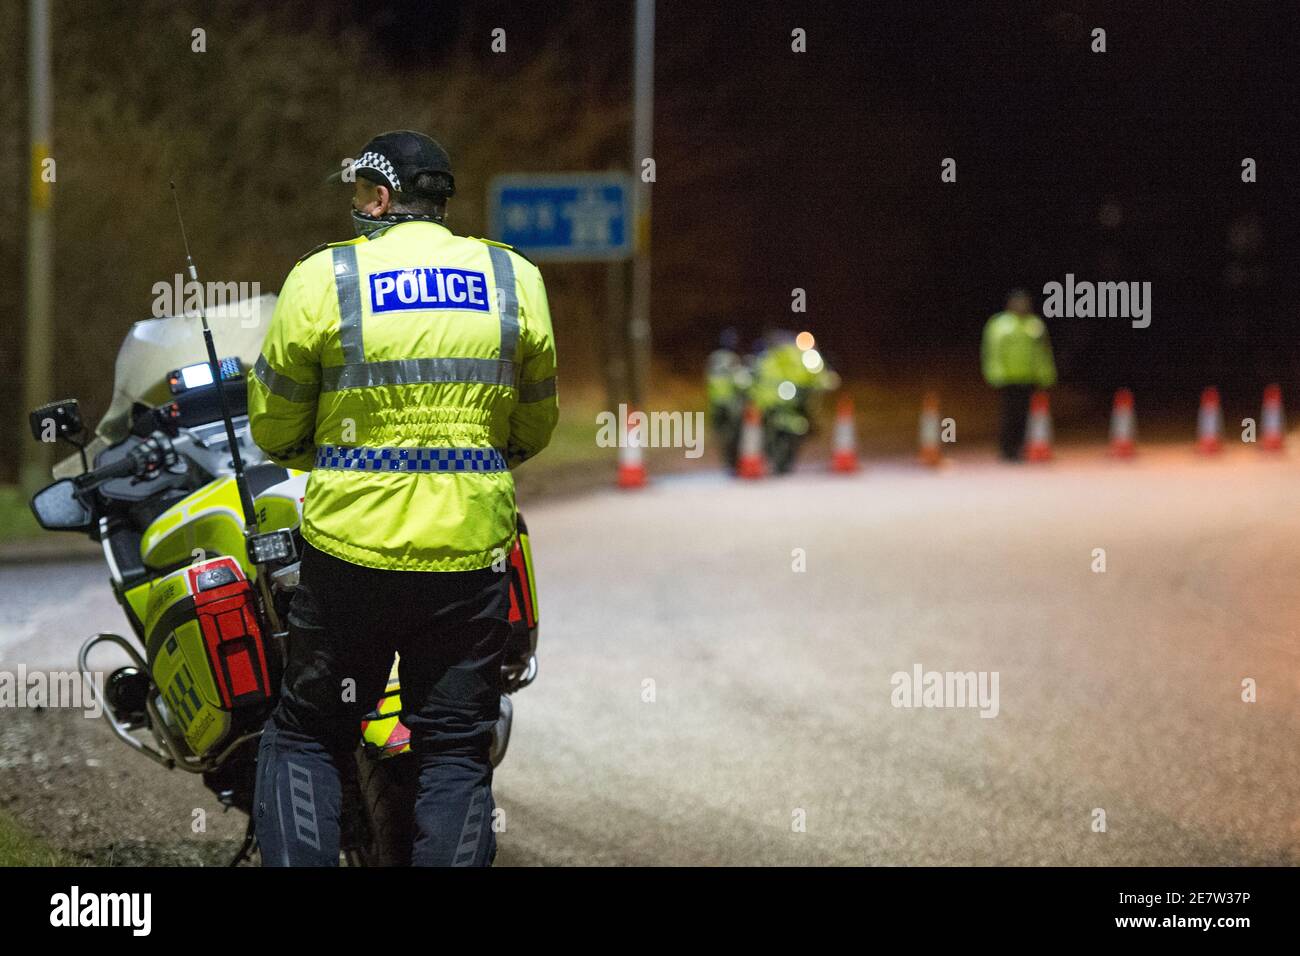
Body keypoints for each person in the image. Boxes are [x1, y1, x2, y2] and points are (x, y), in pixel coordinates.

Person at [247, 130, 558, 866]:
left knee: (307, 733)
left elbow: (275, 425)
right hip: (467, 556)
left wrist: (330, 457)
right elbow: (532, 423)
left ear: (382, 198)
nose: (354, 205)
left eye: (359, 193)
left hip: (350, 556)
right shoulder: (515, 279)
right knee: (453, 748)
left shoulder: (326, 278)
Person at [981, 289, 1056, 461]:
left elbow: (1042, 352)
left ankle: (1021, 447)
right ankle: (1007, 449)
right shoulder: (1000, 325)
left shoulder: (1034, 325)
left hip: (1028, 377)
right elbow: (993, 351)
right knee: (1010, 414)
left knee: (1025, 415)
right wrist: (995, 372)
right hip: (1008, 378)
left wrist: (1046, 373)